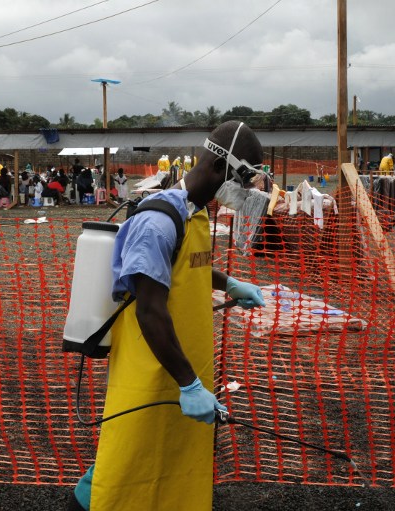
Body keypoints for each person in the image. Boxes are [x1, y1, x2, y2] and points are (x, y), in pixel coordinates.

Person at [69, 121, 267, 511]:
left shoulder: (193, 212)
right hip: (151, 375)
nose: (245, 193)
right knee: (124, 461)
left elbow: (178, 266)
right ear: (218, 167)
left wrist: (228, 283)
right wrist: (190, 385)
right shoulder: (157, 223)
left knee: (165, 460)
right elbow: (150, 310)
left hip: (179, 370)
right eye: (244, 182)